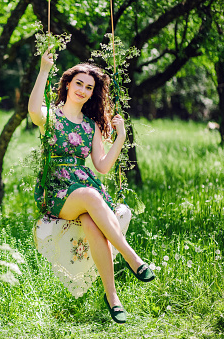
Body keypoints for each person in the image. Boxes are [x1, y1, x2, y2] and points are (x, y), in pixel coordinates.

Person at [28, 47, 155, 324]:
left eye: (89, 87)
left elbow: (102, 166)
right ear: (67, 84)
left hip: (84, 190)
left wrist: (120, 137)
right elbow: (32, 109)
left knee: (91, 222)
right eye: (78, 84)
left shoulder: (90, 126)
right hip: (57, 191)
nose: (83, 90)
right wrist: (44, 69)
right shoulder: (50, 116)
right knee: (88, 194)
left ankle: (112, 297)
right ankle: (132, 258)